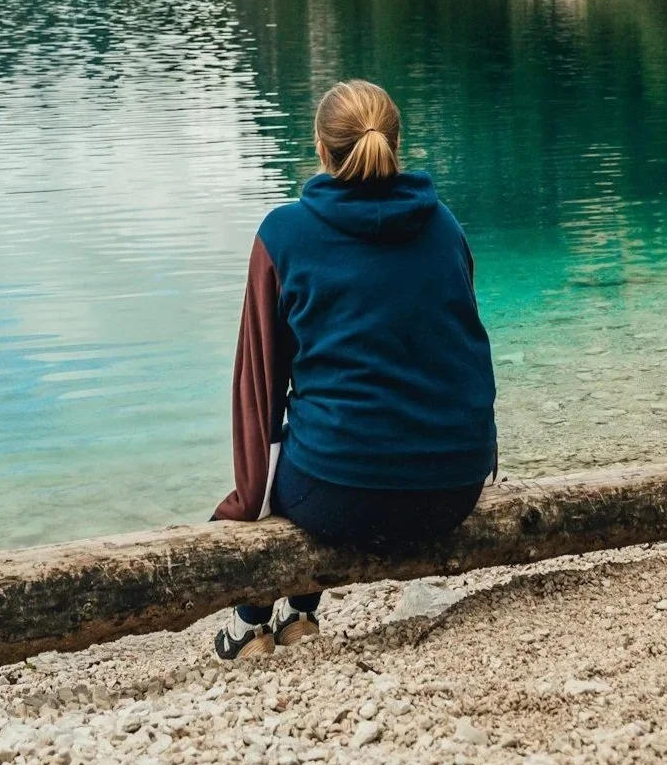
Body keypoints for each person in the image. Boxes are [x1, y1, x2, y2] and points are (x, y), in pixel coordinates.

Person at [210, 78, 497, 661]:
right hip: (452, 489)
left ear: (321, 150)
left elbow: (258, 388)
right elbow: (464, 350)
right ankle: (300, 615)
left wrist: (246, 499)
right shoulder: (445, 226)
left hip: (342, 496)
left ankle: (249, 626)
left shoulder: (283, 234)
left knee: (314, 454)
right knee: (341, 428)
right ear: (396, 144)